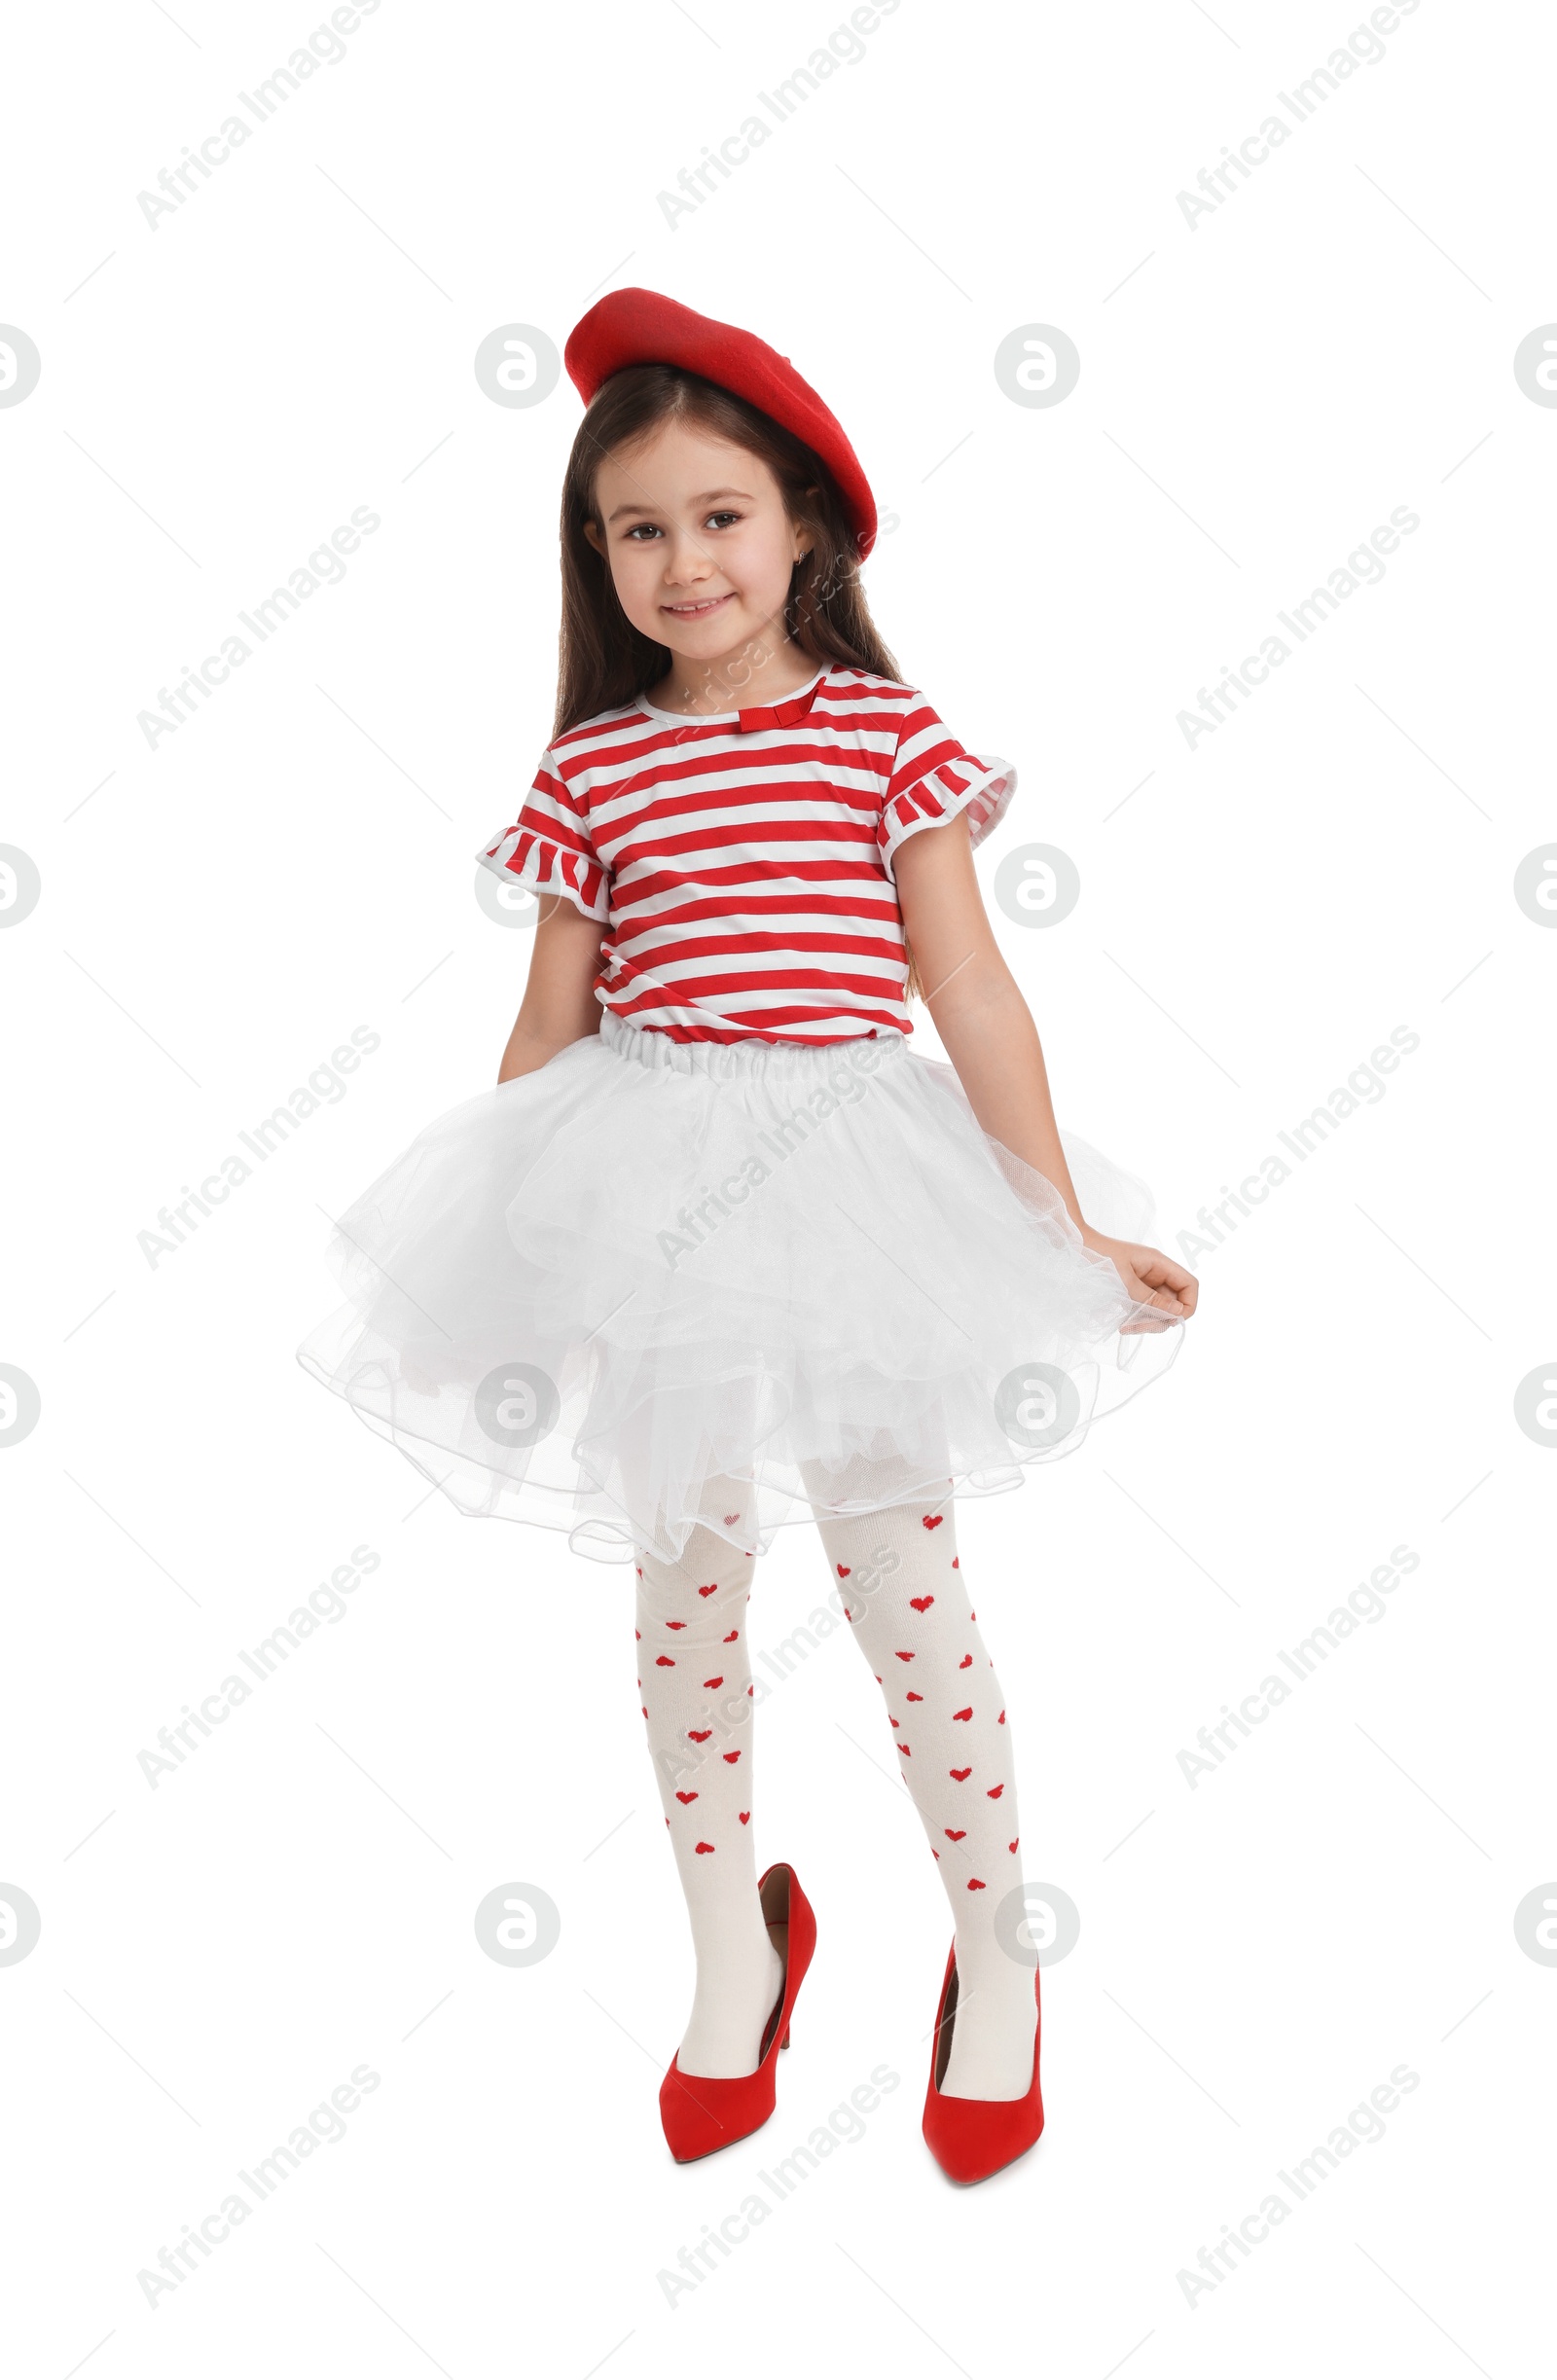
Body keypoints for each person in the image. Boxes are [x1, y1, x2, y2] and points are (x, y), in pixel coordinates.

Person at [298, 288, 1197, 2182]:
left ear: (802, 524)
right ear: (594, 554)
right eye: (638, 526)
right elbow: (545, 1039)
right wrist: (503, 1258)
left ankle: (995, 1950)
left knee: (901, 1581)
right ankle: (732, 1949)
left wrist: (1061, 1222)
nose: (683, 557)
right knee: (684, 1588)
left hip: (860, 1188)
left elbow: (967, 983)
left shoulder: (883, 738)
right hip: (652, 1197)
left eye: (720, 514)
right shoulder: (595, 769)